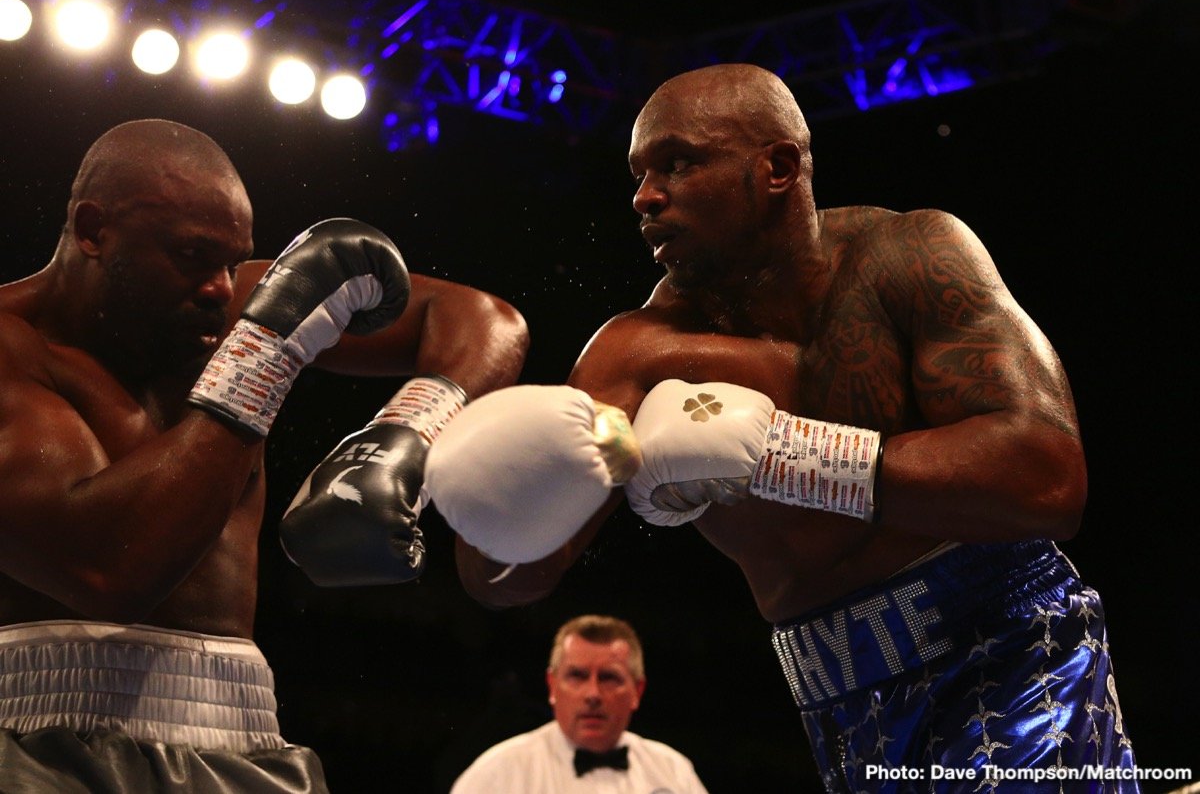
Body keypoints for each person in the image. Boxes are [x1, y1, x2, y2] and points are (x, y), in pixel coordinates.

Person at [425, 63, 1140, 792]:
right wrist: (491, 494)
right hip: (840, 700)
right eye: (638, 174)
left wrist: (787, 456)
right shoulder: (637, 356)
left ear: (777, 168)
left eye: (677, 162)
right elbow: (509, 578)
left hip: (1012, 651)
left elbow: (1049, 476)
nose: (645, 196)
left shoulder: (913, 259)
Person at [0, 118, 528, 793]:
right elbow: (111, 568)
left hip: (242, 735)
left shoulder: (235, 310)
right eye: (192, 255)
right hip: (37, 746)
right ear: (93, 230)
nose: (223, 288)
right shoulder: (14, 350)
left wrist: (404, 434)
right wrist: (265, 355)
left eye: (232, 260)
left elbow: (485, 320)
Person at [450, 614, 709, 794]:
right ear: (552, 685)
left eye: (609, 678)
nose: (593, 694)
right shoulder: (499, 773)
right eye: (577, 676)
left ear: (637, 691)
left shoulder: (673, 771)